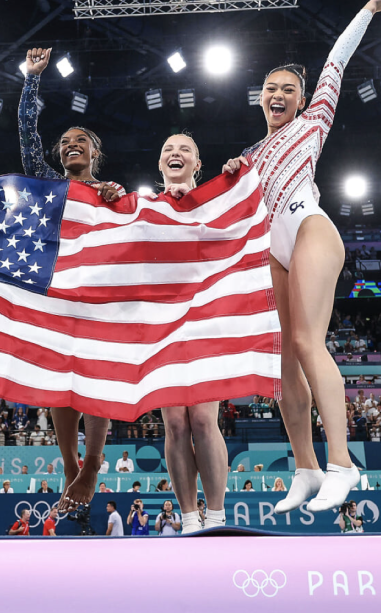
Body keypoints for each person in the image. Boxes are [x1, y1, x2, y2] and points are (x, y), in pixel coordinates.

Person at [223, 0, 381, 515]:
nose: (279, 94)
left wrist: (367, 10)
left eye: (288, 89)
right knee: (282, 361)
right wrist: (230, 176)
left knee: (308, 342)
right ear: (259, 99)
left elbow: (336, 61)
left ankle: (342, 464)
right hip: (275, 251)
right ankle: (305, 468)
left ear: (302, 101)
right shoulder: (249, 155)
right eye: (271, 89)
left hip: (310, 228)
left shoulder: (312, 124)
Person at [16, 47, 123, 512]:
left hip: (99, 292)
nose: (70, 144)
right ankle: (68, 463)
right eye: (64, 141)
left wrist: (117, 200)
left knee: (97, 377)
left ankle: (94, 463)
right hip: (54, 286)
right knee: (58, 380)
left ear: (96, 152)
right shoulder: (46, 182)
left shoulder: (113, 193)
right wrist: (30, 81)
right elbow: (26, 136)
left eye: (80, 139)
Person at [145, 133, 229, 533]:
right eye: (168, 150)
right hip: (162, 323)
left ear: (198, 164)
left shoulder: (217, 201)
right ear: (160, 164)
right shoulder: (143, 208)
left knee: (201, 419)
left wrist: (234, 181)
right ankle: (190, 519)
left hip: (205, 319)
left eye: (184, 150)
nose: (175, 154)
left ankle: (216, 514)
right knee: (175, 423)